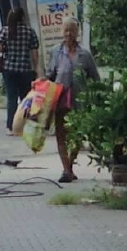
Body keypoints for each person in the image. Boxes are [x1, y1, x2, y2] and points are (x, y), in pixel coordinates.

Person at [46, 17, 99, 183]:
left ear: (78, 33)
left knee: (77, 135)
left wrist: (95, 98)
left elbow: (95, 78)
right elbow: (50, 75)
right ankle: (66, 169)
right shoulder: (56, 51)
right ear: (62, 32)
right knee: (61, 134)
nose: (69, 34)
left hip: (79, 101)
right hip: (60, 100)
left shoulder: (85, 55)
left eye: (72, 30)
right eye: (66, 30)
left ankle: (69, 166)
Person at [0, 7, 39, 135]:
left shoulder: (5, 31)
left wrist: (5, 47)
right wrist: (36, 68)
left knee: (12, 98)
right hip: (25, 70)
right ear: (22, 17)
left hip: (9, 69)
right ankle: (23, 126)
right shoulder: (29, 31)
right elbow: (34, 53)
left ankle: (10, 127)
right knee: (25, 99)